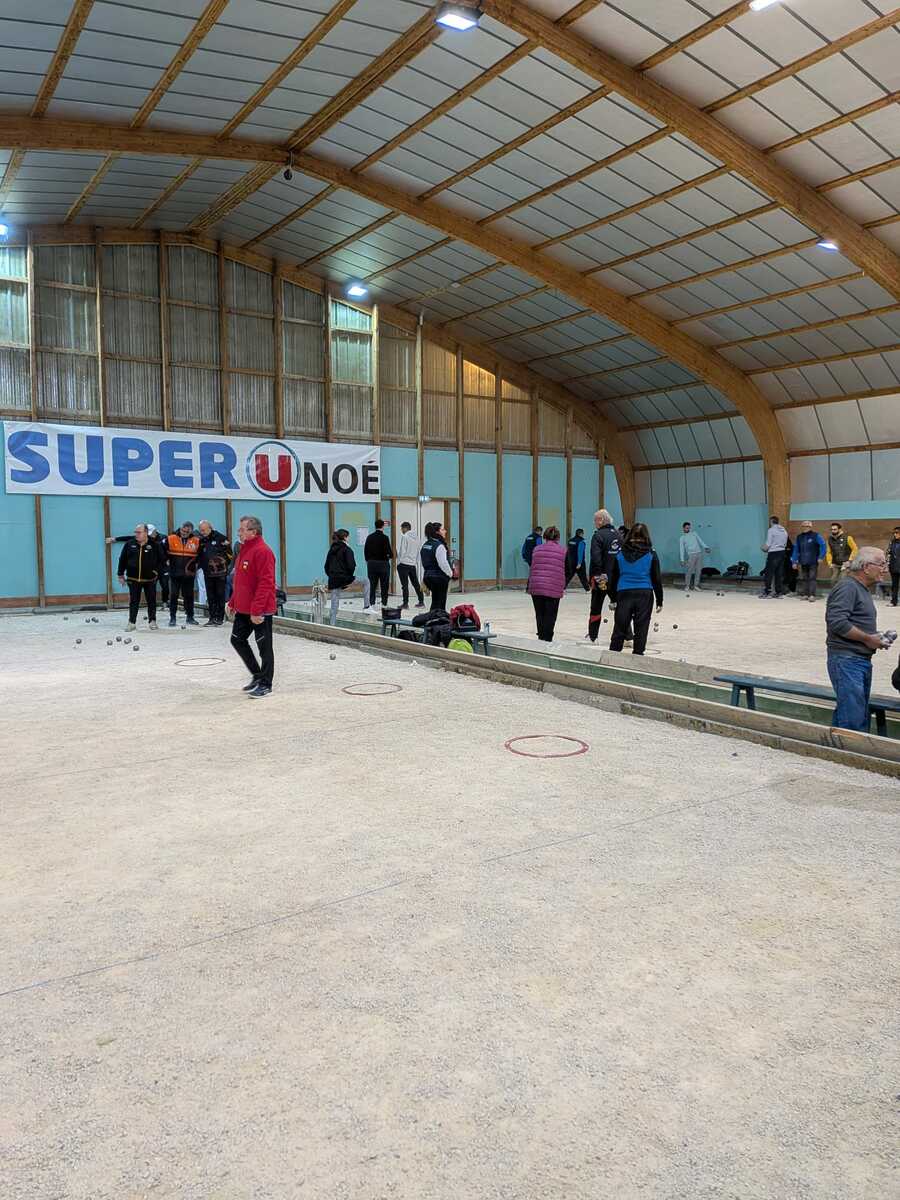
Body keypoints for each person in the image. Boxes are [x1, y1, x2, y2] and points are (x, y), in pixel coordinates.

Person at [825, 546, 889, 731]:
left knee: (853, 714)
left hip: (857, 660)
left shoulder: (860, 588)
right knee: (852, 721)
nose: (885, 569)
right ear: (866, 567)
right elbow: (837, 622)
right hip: (847, 661)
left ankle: (837, 747)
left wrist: (875, 637)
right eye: (881, 564)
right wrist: (868, 639)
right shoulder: (847, 587)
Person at [227, 514, 277, 699]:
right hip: (243, 608)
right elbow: (240, 581)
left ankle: (266, 684)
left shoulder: (263, 551)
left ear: (253, 532)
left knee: (264, 647)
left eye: (242, 529)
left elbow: (266, 583)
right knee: (237, 639)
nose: (238, 532)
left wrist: (257, 610)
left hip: (260, 610)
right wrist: (233, 601)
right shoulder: (243, 550)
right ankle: (257, 675)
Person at [607, 522, 663, 656]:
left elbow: (613, 578)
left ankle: (612, 656)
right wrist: (659, 600)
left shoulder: (620, 554)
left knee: (620, 627)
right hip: (644, 593)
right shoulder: (651, 554)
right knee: (641, 628)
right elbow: (656, 579)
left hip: (624, 593)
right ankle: (638, 655)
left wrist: (613, 598)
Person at [107, 523, 168, 605]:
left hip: (159, 569)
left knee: (164, 586)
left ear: (154, 532)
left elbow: (166, 553)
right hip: (145, 573)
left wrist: (164, 563)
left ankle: (165, 602)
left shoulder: (162, 539)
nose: (148, 536)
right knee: (140, 596)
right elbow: (128, 539)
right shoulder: (139, 539)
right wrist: (115, 539)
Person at [116, 523, 160, 631]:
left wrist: (156, 572)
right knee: (134, 601)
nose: (136, 534)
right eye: (135, 532)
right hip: (133, 578)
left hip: (150, 579)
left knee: (151, 600)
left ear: (146, 533)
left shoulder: (154, 545)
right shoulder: (129, 544)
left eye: (139, 532)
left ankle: (152, 621)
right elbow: (122, 559)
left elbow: (161, 560)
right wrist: (120, 574)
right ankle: (131, 623)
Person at [527, 526, 567, 642]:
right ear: (558, 537)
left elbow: (533, 566)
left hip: (537, 586)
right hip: (553, 586)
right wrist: (562, 582)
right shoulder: (563, 550)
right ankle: (548, 638)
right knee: (551, 614)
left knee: (539, 614)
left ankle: (541, 637)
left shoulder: (537, 549)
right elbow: (568, 568)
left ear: (544, 536)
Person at [586, 509, 620, 643]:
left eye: (595, 520)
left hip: (601, 579)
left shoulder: (598, 536)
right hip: (617, 578)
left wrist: (598, 575)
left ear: (601, 520)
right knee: (619, 606)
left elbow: (596, 558)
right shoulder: (618, 534)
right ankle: (627, 636)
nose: (594, 523)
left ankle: (593, 636)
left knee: (596, 606)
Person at [197, 519, 233, 627]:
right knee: (210, 595)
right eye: (201, 530)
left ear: (210, 528)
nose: (202, 532)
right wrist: (201, 567)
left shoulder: (221, 538)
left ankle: (219, 618)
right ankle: (212, 618)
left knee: (220, 595)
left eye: (204, 530)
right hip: (207, 573)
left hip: (220, 573)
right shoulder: (202, 541)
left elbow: (229, 554)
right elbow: (200, 556)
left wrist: (223, 566)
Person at [166, 520, 201, 626]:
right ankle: (172, 618)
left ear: (191, 531)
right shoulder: (171, 538)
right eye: (182, 530)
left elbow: (200, 556)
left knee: (189, 596)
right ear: (180, 528)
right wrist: (166, 562)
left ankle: (190, 617)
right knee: (173, 596)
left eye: (187, 532)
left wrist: (196, 566)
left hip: (189, 575)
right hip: (175, 573)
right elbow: (162, 552)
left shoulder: (196, 540)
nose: (184, 533)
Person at [324, 528, 356, 626]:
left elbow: (326, 566)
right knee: (366, 581)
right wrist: (348, 577)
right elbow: (351, 565)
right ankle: (367, 606)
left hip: (333, 579)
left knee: (334, 602)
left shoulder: (331, 550)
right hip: (344, 578)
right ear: (345, 538)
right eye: (348, 537)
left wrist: (331, 575)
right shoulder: (347, 549)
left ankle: (332, 624)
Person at [420, 521, 453, 612]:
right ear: (437, 532)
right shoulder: (439, 546)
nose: (445, 531)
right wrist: (450, 573)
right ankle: (438, 618)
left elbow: (423, 561)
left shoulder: (425, 545)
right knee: (440, 602)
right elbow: (443, 563)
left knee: (435, 601)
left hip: (428, 577)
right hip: (439, 577)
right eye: (442, 529)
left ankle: (433, 616)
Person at [791, 520, 828, 601]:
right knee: (804, 578)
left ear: (810, 527)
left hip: (813, 561)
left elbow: (823, 546)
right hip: (803, 561)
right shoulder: (799, 537)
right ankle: (805, 594)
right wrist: (794, 561)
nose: (805, 528)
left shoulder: (816, 536)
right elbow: (796, 549)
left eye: (807, 526)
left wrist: (821, 557)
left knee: (812, 578)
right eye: (803, 526)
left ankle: (812, 595)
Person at [363, 518, 392, 611]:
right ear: (383, 526)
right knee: (384, 585)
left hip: (372, 564)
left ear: (375, 526)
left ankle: (372, 603)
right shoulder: (385, 538)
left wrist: (368, 561)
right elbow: (389, 552)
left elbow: (366, 551)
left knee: (372, 584)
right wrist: (389, 556)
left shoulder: (369, 537)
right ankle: (384, 604)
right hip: (383, 564)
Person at [397, 521, 425, 609]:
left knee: (404, 585)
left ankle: (405, 604)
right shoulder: (417, 538)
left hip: (403, 564)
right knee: (416, 583)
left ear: (405, 528)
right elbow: (418, 552)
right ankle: (421, 601)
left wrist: (399, 562)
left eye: (402, 528)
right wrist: (415, 562)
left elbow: (402, 551)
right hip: (412, 565)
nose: (401, 530)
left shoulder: (405, 537)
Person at [759, 515, 788, 598]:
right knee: (779, 573)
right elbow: (785, 543)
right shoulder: (784, 530)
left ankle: (767, 592)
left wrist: (763, 548)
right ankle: (779, 592)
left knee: (769, 573)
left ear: (771, 521)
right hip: (782, 553)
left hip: (773, 553)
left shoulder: (771, 530)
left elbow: (768, 544)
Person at [679, 521, 710, 592]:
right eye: (687, 528)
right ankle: (687, 586)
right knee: (689, 571)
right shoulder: (682, 538)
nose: (688, 529)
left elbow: (700, 541)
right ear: (683, 528)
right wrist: (682, 559)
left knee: (698, 570)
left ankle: (696, 586)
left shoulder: (694, 534)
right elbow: (681, 549)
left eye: (689, 528)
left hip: (699, 553)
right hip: (691, 555)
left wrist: (706, 547)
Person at [887, 527, 900, 607]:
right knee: (894, 585)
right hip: (894, 566)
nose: (895, 534)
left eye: (897, 532)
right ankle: (893, 601)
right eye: (894, 533)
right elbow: (888, 553)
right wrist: (888, 563)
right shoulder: (892, 542)